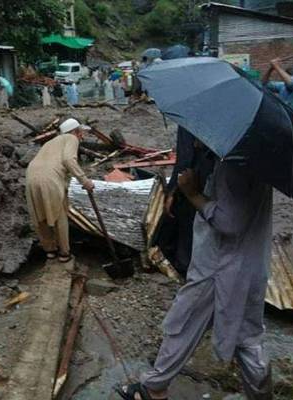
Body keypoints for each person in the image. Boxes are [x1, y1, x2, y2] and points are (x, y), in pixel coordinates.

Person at [116, 157, 273, 400]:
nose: (197, 145)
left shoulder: (232, 166)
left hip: (219, 268)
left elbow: (228, 222)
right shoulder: (259, 161)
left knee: (184, 322)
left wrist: (193, 193)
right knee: (247, 336)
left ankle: (155, 386)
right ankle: (261, 396)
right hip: (248, 265)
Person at [25, 118, 95, 263]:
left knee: (40, 216)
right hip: (50, 178)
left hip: (31, 177)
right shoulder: (71, 138)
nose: (82, 136)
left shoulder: (50, 142)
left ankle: (50, 251)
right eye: (81, 132)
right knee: (59, 215)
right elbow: (68, 160)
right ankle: (64, 253)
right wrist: (85, 181)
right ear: (75, 131)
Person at [155, 127, 215, 276]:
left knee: (188, 223)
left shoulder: (191, 117)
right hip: (209, 179)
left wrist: (173, 188)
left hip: (194, 179)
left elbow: (186, 154)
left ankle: (186, 267)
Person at [263, 58, 293, 126]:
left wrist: (277, 66)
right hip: (283, 124)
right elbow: (264, 84)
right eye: (285, 79)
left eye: (287, 79)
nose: (286, 82)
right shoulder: (282, 86)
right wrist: (271, 69)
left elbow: (291, 83)